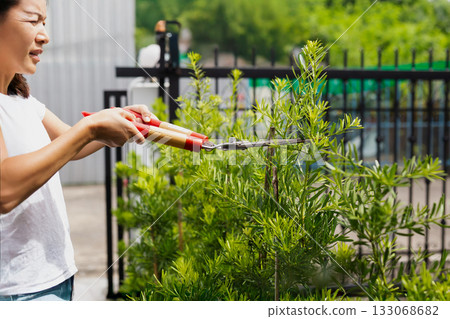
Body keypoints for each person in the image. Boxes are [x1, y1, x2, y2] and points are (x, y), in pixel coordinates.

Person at [0, 0, 154, 300]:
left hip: (55, 279)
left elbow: (72, 143)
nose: (44, 35)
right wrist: (91, 128)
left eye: (45, 22)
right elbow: (4, 189)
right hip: (17, 292)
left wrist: (119, 119)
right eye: (33, 21)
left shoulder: (22, 101)